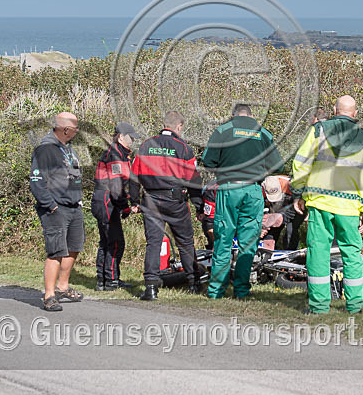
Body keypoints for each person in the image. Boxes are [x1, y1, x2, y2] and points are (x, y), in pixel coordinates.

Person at [292, 95, 363, 314]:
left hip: (320, 202)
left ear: (334, 110)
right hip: (350, 206)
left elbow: (301, 163)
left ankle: (319, 306)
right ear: (355, 113)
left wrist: (298, 192)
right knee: (351, 253)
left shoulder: (319, 130)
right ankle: (355, 305)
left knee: (318, 252)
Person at [201, 104, 283, 299]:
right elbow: (277, 164)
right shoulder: (263, 133)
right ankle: (242, 291)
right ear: (251, 115)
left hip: (229, 189)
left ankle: (216, 291)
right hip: (253, 190)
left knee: (223, 240)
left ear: (233, 115)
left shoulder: (223, 131)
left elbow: (208, 161)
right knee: (249, 243)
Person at [130, 111, 203, 300]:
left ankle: (151, 288)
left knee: (153, 243)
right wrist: (199, 206)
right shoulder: (184, 148)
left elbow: (133, 177)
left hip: (151, 200)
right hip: (175, 201)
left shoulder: (146, 145)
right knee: (185, 242)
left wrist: (134, 201)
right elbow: (194, 180)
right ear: (179, 126)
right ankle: (193, 282)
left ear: (164, 124)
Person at [29, 112, 85, 311]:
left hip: (73, 206)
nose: (78, 131)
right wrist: (50, 205)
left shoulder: (66, 148)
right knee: (56, 251)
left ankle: (63, 286)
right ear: (66, 129)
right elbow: (36, 182)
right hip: (56, 208)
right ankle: (49, 295)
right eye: (76, 128)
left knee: (74, 247)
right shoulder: (46, 149)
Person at [91, 122, 138, 291]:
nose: (133, 141)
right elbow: (116, 186)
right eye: (130, 137)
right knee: (115, 242)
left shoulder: (119, 154)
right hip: (105, 200)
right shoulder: (115, 154)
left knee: (107, 242)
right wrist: (125, 207)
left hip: (105, 200)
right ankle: (110, 281)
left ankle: (103, 280)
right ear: (120, 137)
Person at [260, 175, 304, 250]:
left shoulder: (292, 184)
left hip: (296, 206)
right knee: (271, 229)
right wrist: (262, 226)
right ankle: (268, 251)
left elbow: (300, 206)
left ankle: (291, 252)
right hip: (275, 208)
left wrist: (281, 217)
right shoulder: (260, 190)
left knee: (291, 230)